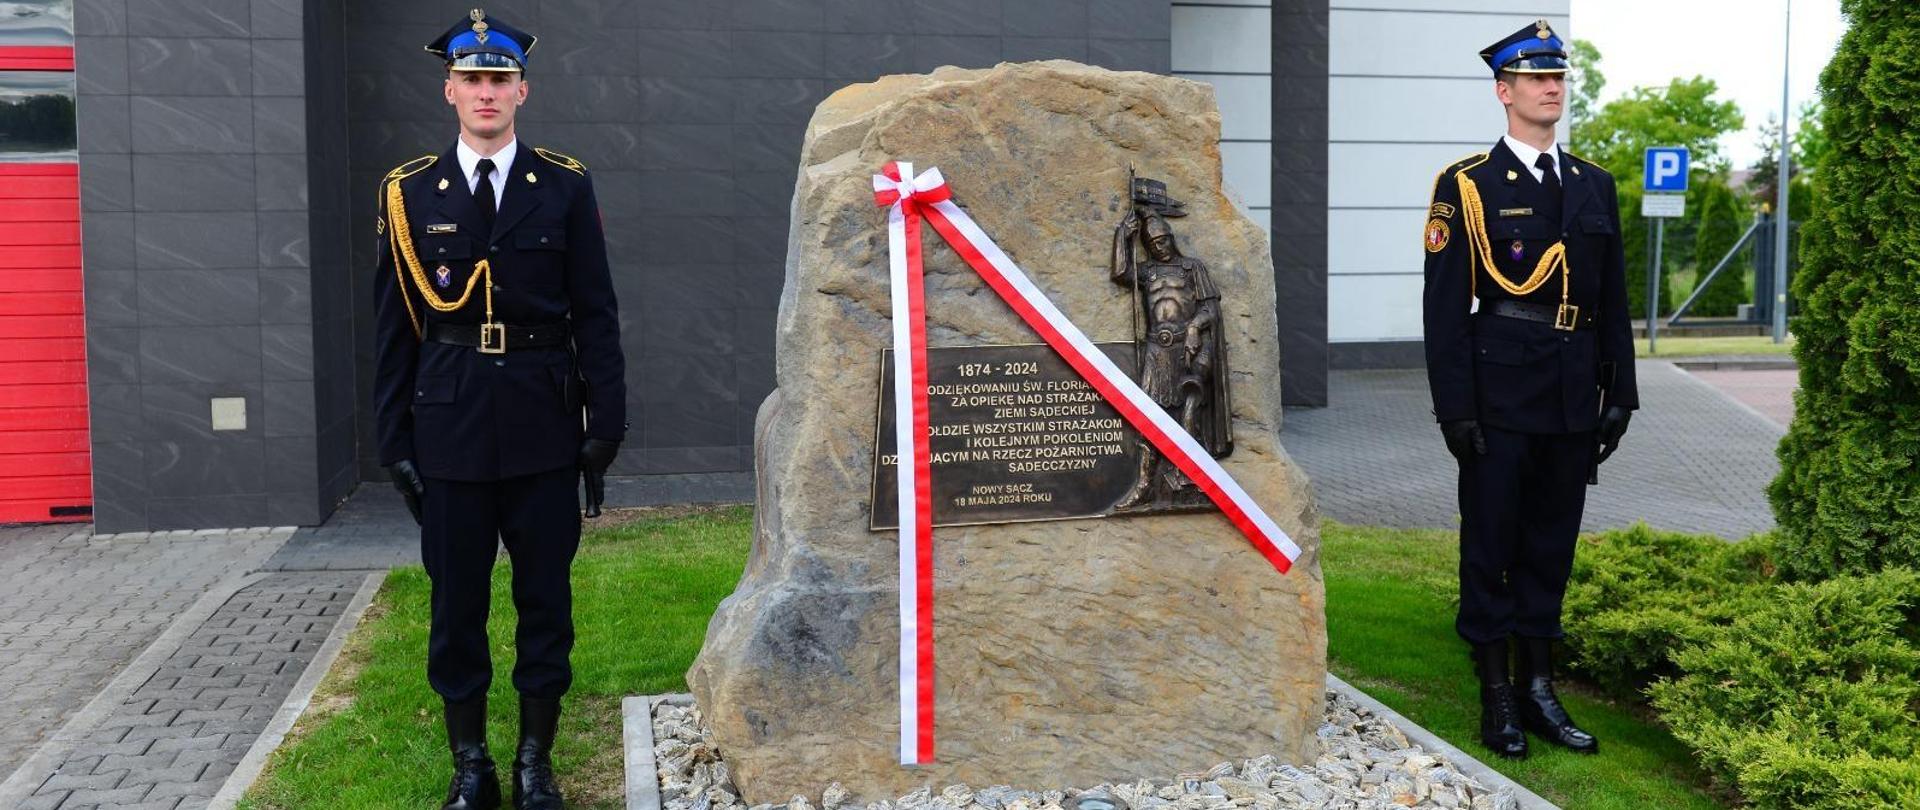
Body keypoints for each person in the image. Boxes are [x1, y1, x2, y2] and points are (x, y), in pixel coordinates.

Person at [371, 9, 626, 808]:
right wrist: (393, 441)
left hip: (544, 425)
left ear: (523, 90)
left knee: (545, 600)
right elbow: (394, 326)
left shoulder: (565, 185)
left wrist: (604, 427)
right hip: (448, 427)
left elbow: (596, 314)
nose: (486, 91)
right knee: (457, 606)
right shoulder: (412, 192)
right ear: (449, 90)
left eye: (500, 79)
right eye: (472, 78)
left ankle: (534, 762)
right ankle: (472, 766)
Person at [1421, 19, 1636, 760]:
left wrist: (1620, 392)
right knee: (1491, 541)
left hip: (1573, 393)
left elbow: (1613, 298)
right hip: (1499, 392)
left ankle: (1540, 688)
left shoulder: (1594, 183)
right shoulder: (1468, 184)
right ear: (1503, 91)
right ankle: (1496, 693)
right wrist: (1455, 409)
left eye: (1558, 77)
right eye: (1536, 78)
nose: (1552, 88)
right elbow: (1444, 309)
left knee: (1550, 543)